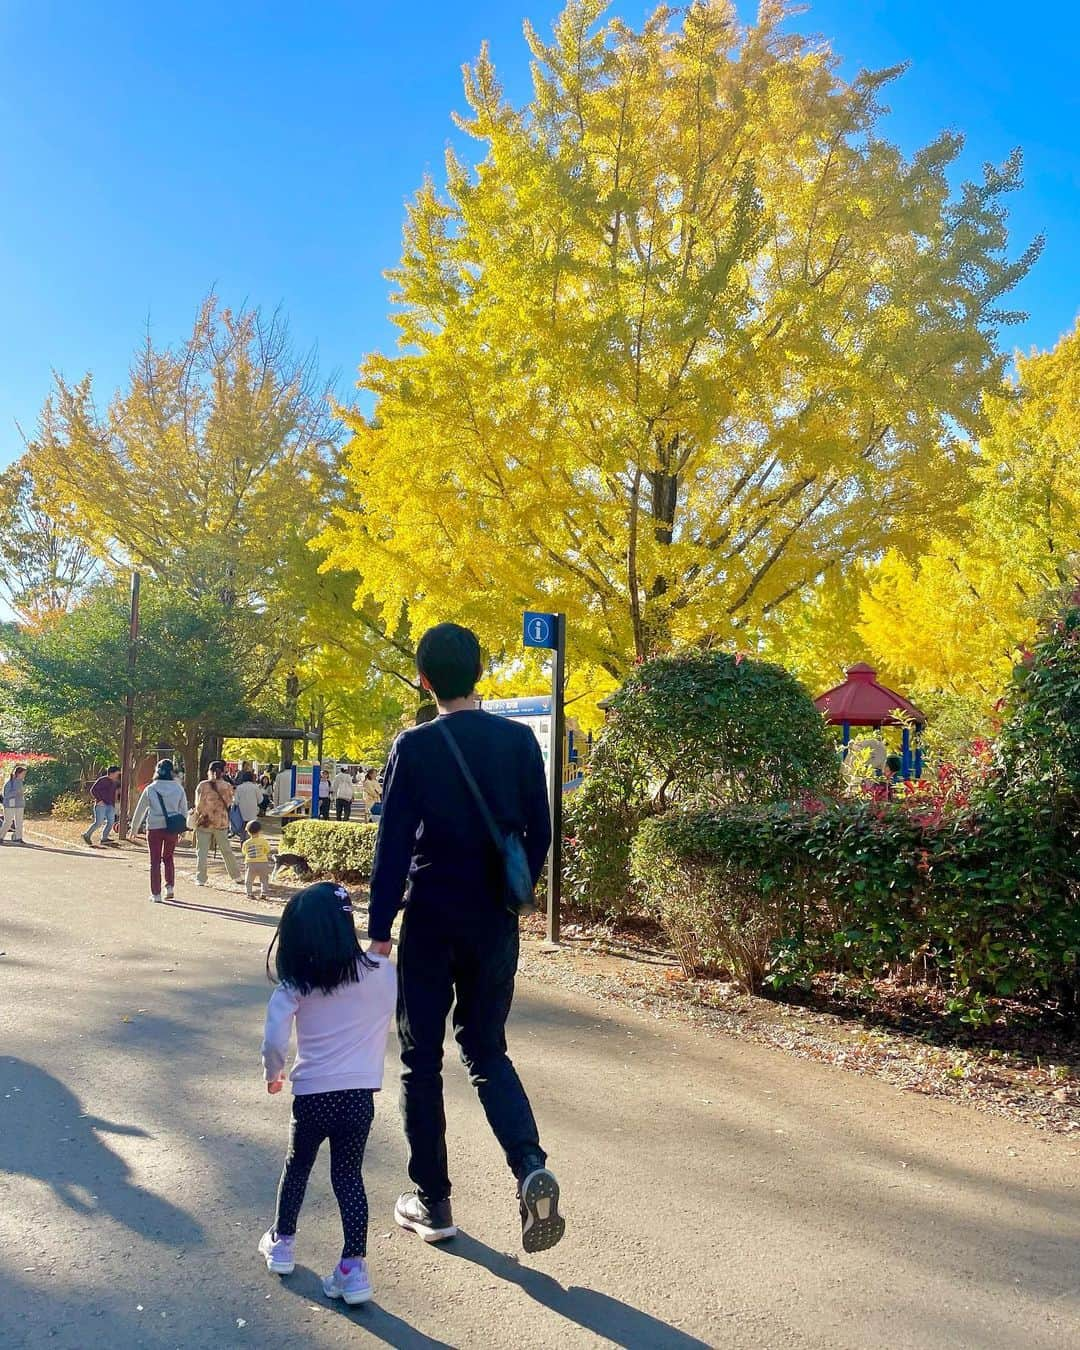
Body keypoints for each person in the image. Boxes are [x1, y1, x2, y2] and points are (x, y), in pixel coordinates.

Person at [368, 622, 564, 1252]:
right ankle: (529, 1164)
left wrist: (378, 932)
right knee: (486, 1048)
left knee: (420, 1059)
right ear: (478, 672)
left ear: (424, 679)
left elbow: (392, 844)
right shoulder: (516, 742)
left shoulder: (415, 746)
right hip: (493, 923)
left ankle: (432, 1200)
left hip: (430, 918)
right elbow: (542, 829)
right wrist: (517, 890)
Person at [259, 882, 397, 1306]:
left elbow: (274, 1039)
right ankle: (353, 1269)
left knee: (297, 1167)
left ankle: (282, 1243)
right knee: (348, 1177)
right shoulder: (381, 972)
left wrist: (274, 1072)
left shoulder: (297, 985)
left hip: (313, 1095)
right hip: (359, 1097)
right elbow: (379, 973)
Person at [130, 759, 189, 903]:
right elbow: (183, 810)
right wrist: (183, 830)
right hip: (172, 827)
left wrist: (134, 828)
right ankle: (169, 887)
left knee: (154, 861)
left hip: (155, 826)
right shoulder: (178, 788)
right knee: (168, 857)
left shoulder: (151, 788)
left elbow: (140, 809)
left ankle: (156, 894)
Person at [192, 759, 243, 887]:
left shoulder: (202, 785)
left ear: (210, 771)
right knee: (226, 850)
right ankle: (236, 876)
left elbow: (198, 805)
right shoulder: (227, 786)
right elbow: (231, 803)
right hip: (222, 822)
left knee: (202, 851)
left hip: (204, 822)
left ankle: (201, 878)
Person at [83, 765, 121, 848]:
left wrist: (114, 803)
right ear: (111, 773)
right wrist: (99, 800)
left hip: (110, 805)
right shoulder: (102, 780)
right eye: (117, 774)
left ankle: (104, 838)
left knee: (111, 822)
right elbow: (93, 790)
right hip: (101, 805)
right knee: (98, 822)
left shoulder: (115, 782)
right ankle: (87, 835)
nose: (118, 776)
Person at [242, 820, 274, 898]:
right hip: (262, 862)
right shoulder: (263, 841)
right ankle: (264, 893)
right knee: (264, 879)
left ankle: (249, 893)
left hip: (250, 863)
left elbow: (244, 852)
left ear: (248, 832)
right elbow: (268, 850)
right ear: (260, 831)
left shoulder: (246, 843)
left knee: (249, 880)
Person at [2, 764, 27, 844]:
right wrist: (17, 792)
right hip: (9, 805)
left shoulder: (20, 782)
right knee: (8, 822)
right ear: (18, 773)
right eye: (23, 774)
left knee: (19, 822)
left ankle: (18, 837)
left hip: (19, 805)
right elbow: (6, 795)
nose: (24, 775)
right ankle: (1, 836)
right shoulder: (9, 782)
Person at [234, 770, 262, 842]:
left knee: (243, 830)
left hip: (241, 813)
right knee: (253, 830)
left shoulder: (239, 787)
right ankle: (252, 844)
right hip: (253, 812)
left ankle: (243, 845)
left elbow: (236, 802)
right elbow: (260, 799)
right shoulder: (255, 787)